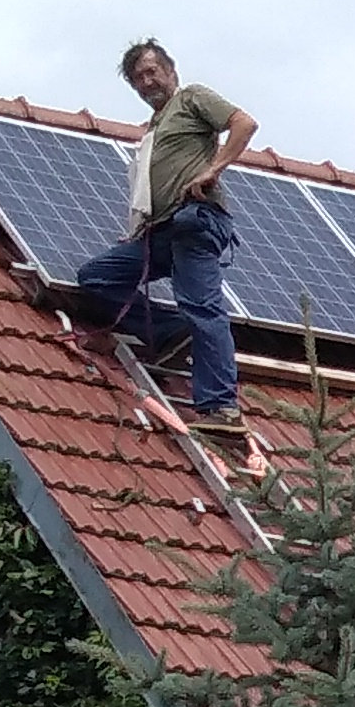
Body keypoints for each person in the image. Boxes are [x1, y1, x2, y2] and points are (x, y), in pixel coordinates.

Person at [59, 41, 258, 447]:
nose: (147, 82)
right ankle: (172, 332)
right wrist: (138, 227)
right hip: (159, 231)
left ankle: (222, 407)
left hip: (194, 221)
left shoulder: (192, 99)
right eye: (138, 78)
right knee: (96, 278)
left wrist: (213, 170)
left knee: (204, 307)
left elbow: (244, 123)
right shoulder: (153, 132)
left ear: (170, 71)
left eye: (153, 72)